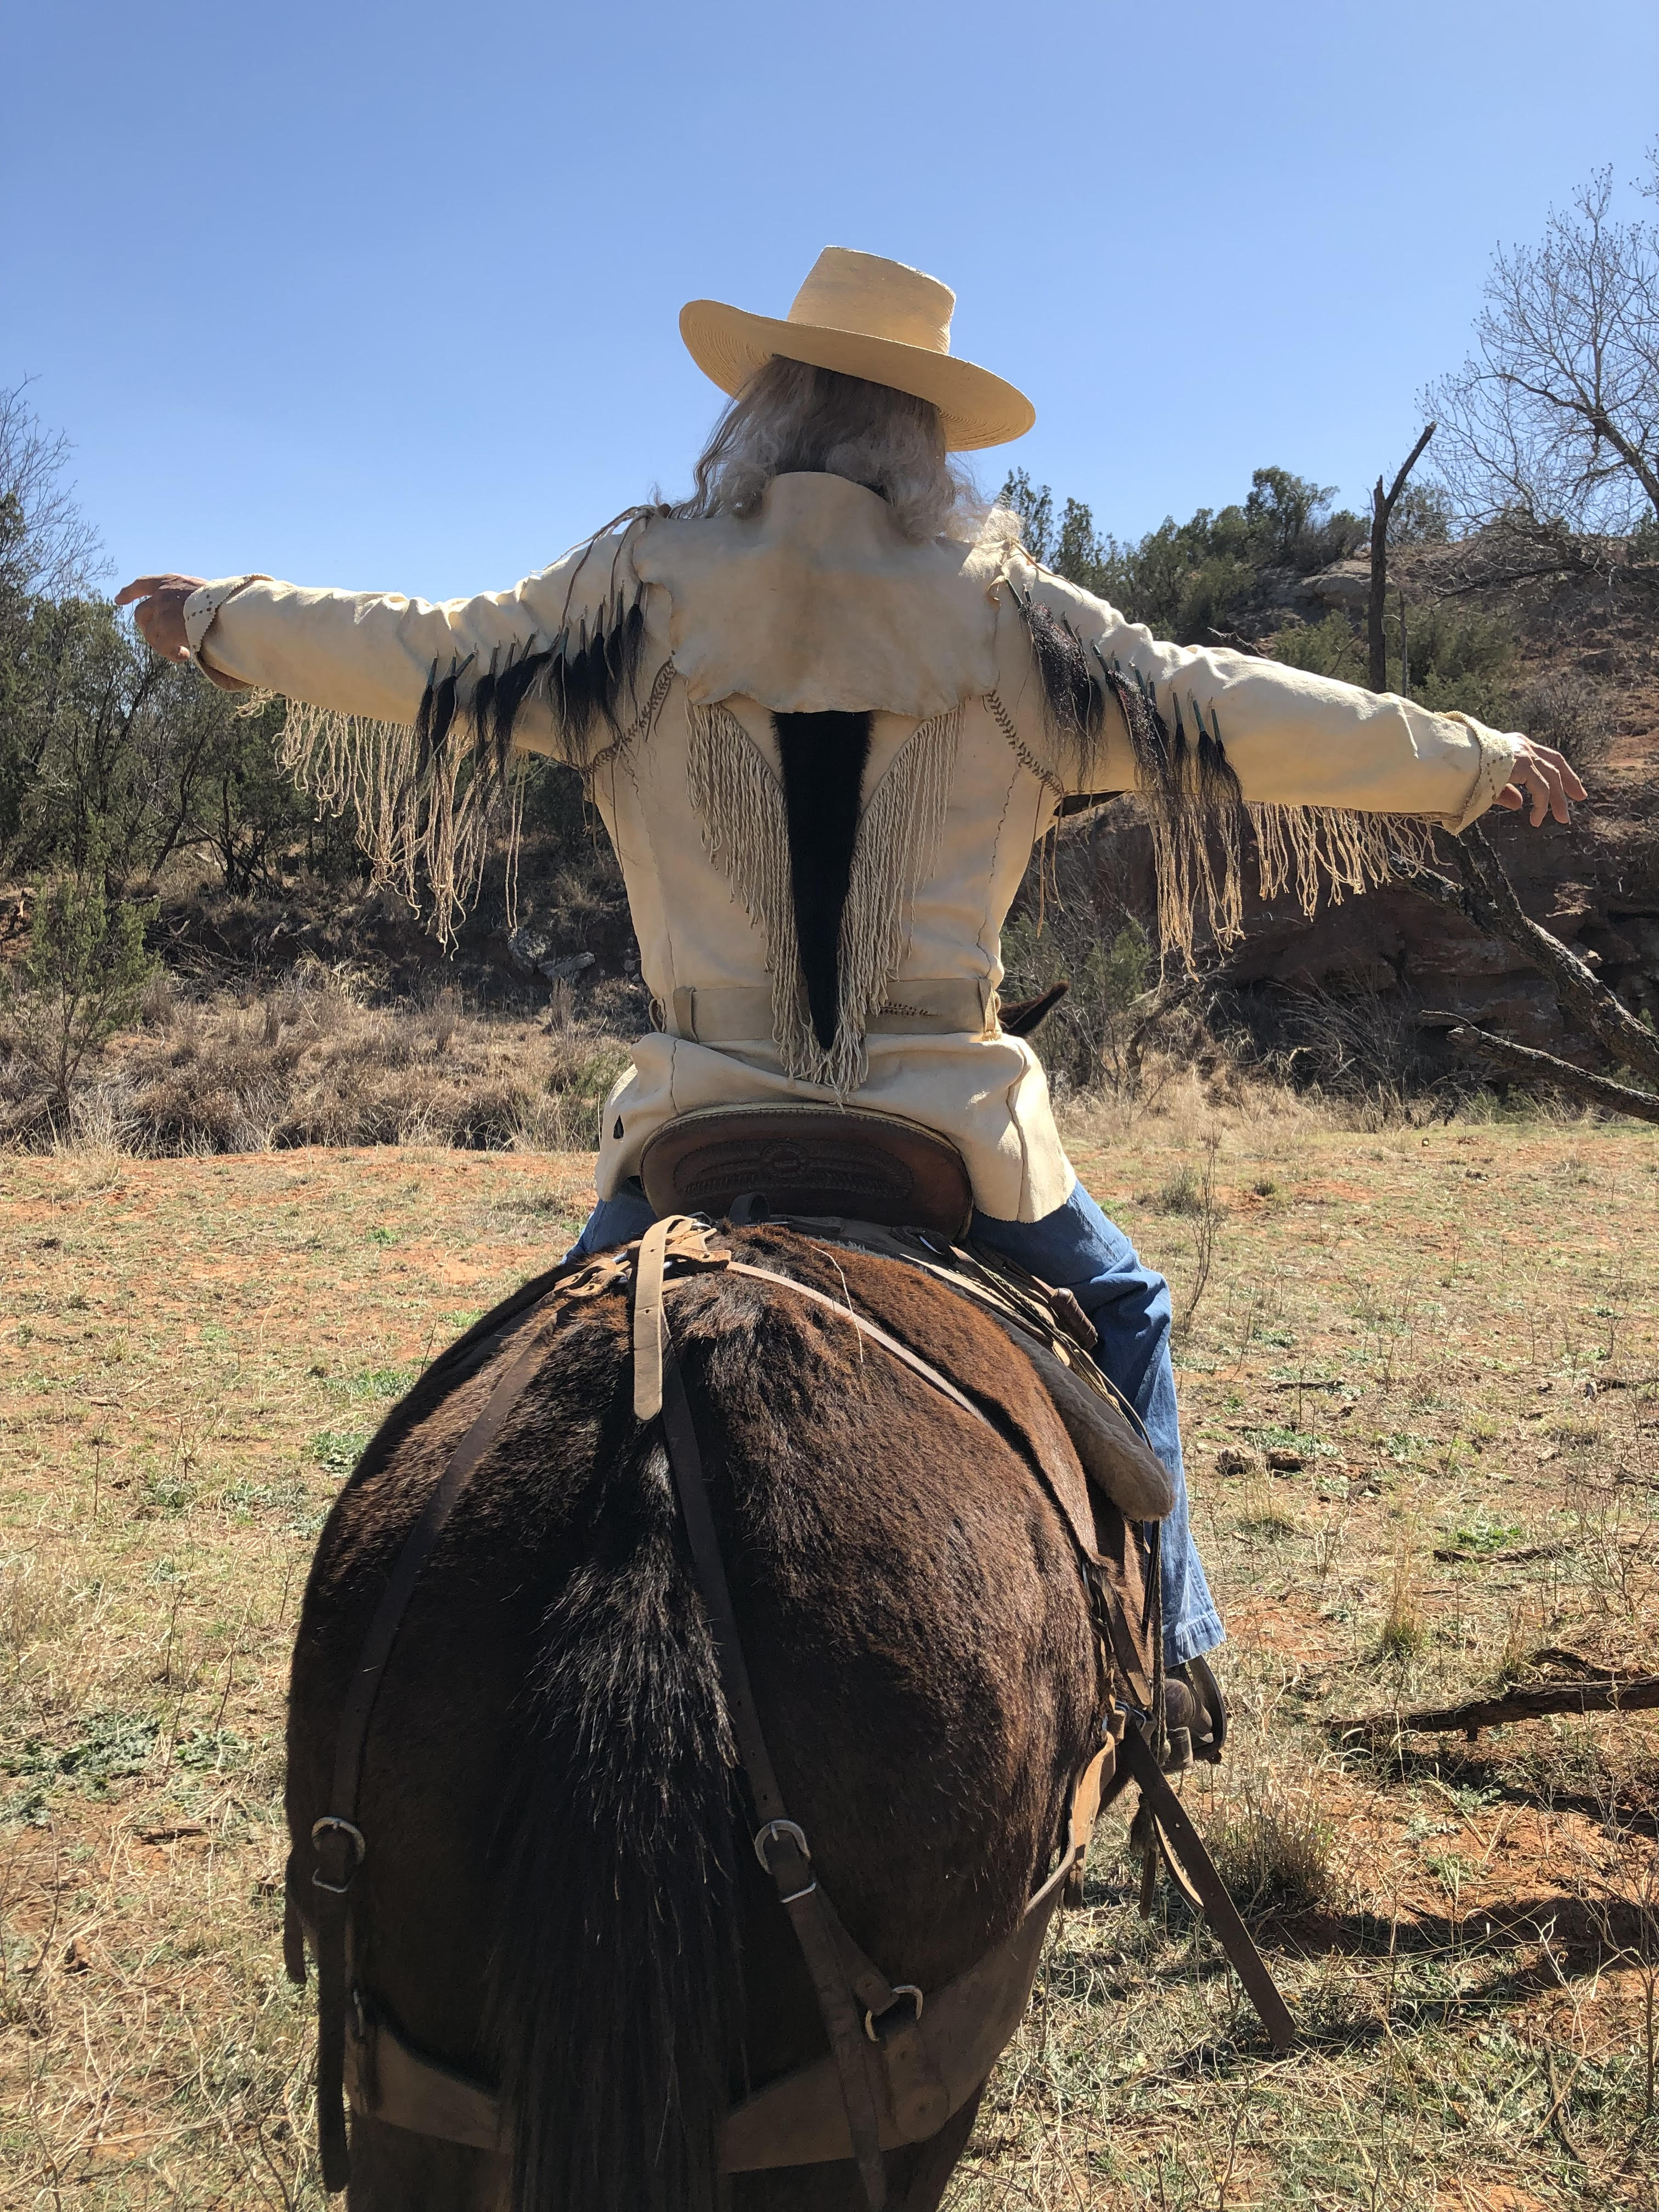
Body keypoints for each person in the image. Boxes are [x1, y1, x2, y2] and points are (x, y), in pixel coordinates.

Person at [122, 247, 1584, 1748]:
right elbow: (1234, 704)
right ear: (925, 440)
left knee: (536, 1360)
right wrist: (1467, 759)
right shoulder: (1017, 622)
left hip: (700, 1113)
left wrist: (220, 619)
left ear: (763, 413)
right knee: (1126, 1309)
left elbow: (418, 649)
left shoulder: (631, 590)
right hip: (945, 1124)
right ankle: (1165, 1663)